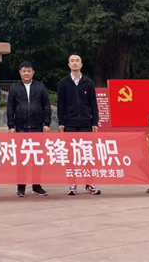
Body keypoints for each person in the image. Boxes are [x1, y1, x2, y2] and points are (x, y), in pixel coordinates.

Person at [57, 52, 101, 196]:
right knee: (71, 155)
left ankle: (90, 183)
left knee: (87, 154)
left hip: (86, 124)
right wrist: (61, 122)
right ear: (68, 64)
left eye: (77, 60)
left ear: (81, 64)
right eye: (72, 61)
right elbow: (61, 104)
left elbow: (93, 103)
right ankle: (72, 184)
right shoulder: (64, 82)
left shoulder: (88, 82)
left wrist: (95, 121)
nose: (75, 63)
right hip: (70, 123)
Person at [7, 61, 52, 197]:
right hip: (21, 128)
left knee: (37, 158)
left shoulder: (40, 86)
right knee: (22, 159)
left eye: (29, 71)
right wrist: (11, 126)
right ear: (20, 72)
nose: (26, 73)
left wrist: (46, 123)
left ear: (33, 72)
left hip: (37, 127)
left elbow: (46, 106)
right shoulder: (14, 88)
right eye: (24, 71)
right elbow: (10, 108)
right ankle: (21, 187)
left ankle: (36, 186)